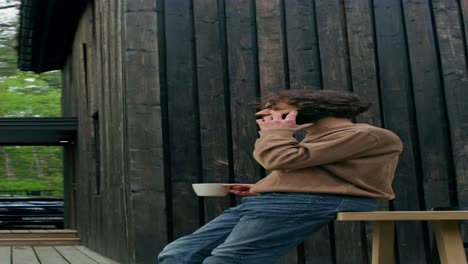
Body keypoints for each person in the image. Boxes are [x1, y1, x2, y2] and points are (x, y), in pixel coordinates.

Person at [158, 89, 403, 264]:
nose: (263, 114)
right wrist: (264, 186)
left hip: (316, 200)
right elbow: (312, 169)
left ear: (313, 111)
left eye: (275, 109)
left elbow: (280, 159)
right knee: (180, 252)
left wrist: (276, 133)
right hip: (281, 200)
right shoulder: (317, 139)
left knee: (230, 259)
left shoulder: (369, 134)